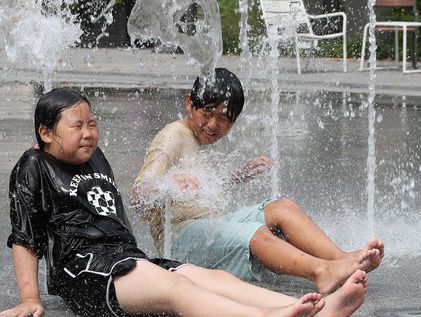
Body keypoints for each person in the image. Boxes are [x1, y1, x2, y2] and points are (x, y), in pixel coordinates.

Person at [0, 88, 370, 317]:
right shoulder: (34, 165)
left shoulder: (95, 159)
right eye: (76, 126)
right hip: (84, 269)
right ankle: (275, 316)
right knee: (180, 291)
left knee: (210, 277)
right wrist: (29, 298)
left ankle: (314, 309)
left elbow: (117, 217)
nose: (88, 133)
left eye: (92, 123)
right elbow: (24, 236)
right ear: (45, 134)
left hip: (124, 258)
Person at [131, 67, 385, 294]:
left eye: (224, 119)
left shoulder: (199, 137)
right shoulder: (172, 137)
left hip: (209, 226)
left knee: (282, 207)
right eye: (208, 113)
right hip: (182, 241)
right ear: (189, 103)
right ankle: (321, 271)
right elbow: (139, 195)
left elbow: (199, 188)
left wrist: (238, 176)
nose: (213, 124)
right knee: (255, 233)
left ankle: (340, 259)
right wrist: (168, 183)